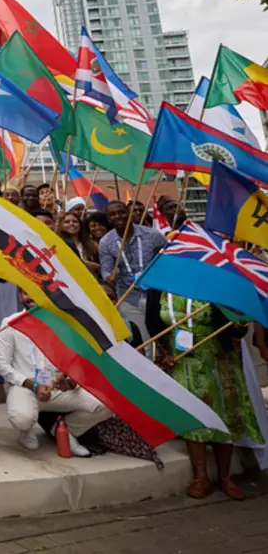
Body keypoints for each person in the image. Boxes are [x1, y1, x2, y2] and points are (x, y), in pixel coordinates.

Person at [150, 294, 262, 499]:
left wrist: (239, 326)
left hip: (219, 359)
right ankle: (200, 477)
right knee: (193, 417)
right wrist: (163, 353)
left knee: (224, 415)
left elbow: (235, 328)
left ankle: (225, 476)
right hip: (183, 362)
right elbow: (153, 323)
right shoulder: (160, 287)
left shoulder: (214, 287)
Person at [0, 290, 110, 456]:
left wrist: (69, 382)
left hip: (54, 386)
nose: (31, 296)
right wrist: (33, 385)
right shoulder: (11, 323)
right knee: (22, 418)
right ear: (20, 295)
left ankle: (65, 431)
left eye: (34, 292)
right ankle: (26, 431)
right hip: (23, 386)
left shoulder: (61, 324)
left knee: (104, 405)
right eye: (25, 292)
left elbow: (74, 361)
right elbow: (1, 365)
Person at [100, 200, 165, 344]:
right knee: (143, 341)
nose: (118, 216)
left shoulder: (153, 235)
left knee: (163, 337)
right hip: (130, 298)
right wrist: (109, 277)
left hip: (156, 296)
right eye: (112, 214)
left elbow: (167, 260)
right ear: (108, 218)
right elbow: (106, 269)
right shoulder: (106, 242)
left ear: (128, 213)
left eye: (121, 212)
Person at [57, 211, 100, 277]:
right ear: (61, 226)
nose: (71, 224)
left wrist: (97, 266)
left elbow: (103, 266)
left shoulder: (93, 245)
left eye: (75, 221)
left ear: (80, 225)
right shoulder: (58, 244)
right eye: (67, 222)